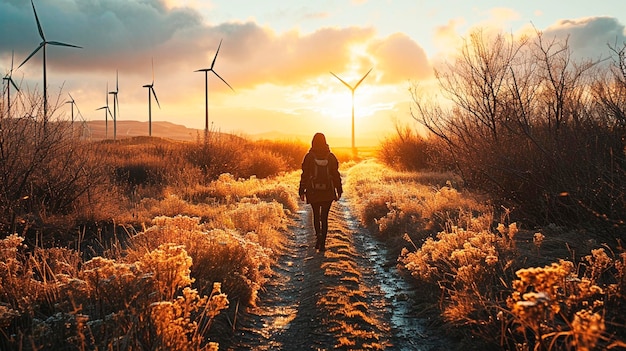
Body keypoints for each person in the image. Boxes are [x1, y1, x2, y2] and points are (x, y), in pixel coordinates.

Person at [299, 132, 342, 252]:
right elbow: (336, 175)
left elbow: (305, 175)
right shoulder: (331, 156)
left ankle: (318, 236)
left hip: (313, 191)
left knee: (316, 215)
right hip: (328, 191)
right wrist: (339, 189)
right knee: (325, 217)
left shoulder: (309, 156)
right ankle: (323, 243)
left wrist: (302, 190)